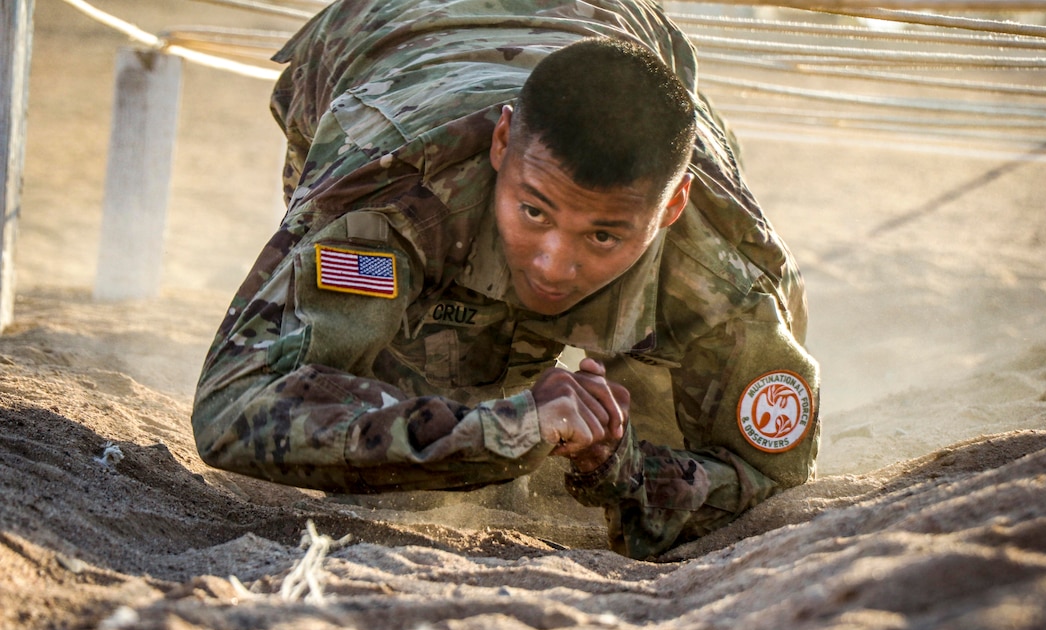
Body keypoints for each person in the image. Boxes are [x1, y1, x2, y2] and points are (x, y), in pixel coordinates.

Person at [191, 0, 820, 560]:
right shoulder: (391, 199)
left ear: (674, 205)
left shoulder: (730, 279)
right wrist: (506, 430)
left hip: (619, 24)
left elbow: (773, 477)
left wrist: (619, 464)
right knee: (384, 378)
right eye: (535, 211)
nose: (553, 264)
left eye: (603, 235)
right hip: (379, 31)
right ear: (501, 142)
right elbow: (235, 405)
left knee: (664, 424)